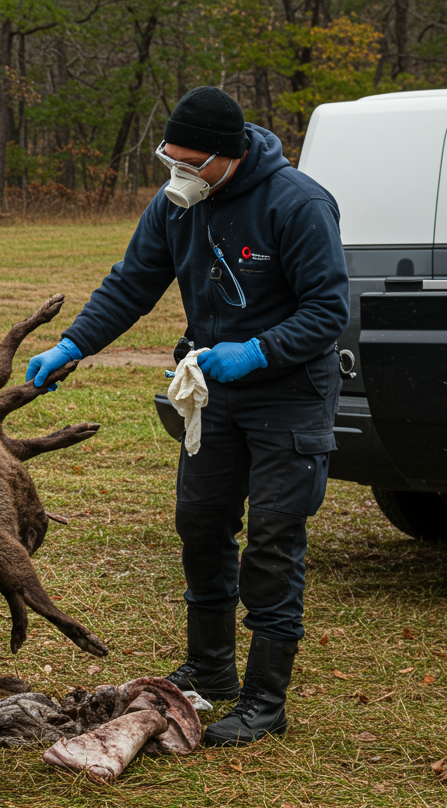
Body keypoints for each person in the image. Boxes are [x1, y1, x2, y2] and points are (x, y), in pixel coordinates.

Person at [27, 86, 348, 747]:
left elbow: (328, 311)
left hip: (289, 394)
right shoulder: (175, 209)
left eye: (191, 163)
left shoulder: (298, 204)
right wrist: (72, 344)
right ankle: (210, 668)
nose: (179, 176)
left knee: (272, 541)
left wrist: (258, 351)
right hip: (214, 395)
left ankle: (264, 700)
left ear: (229, 158)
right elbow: (131, 285)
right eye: (169, 160)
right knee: (201, 523)